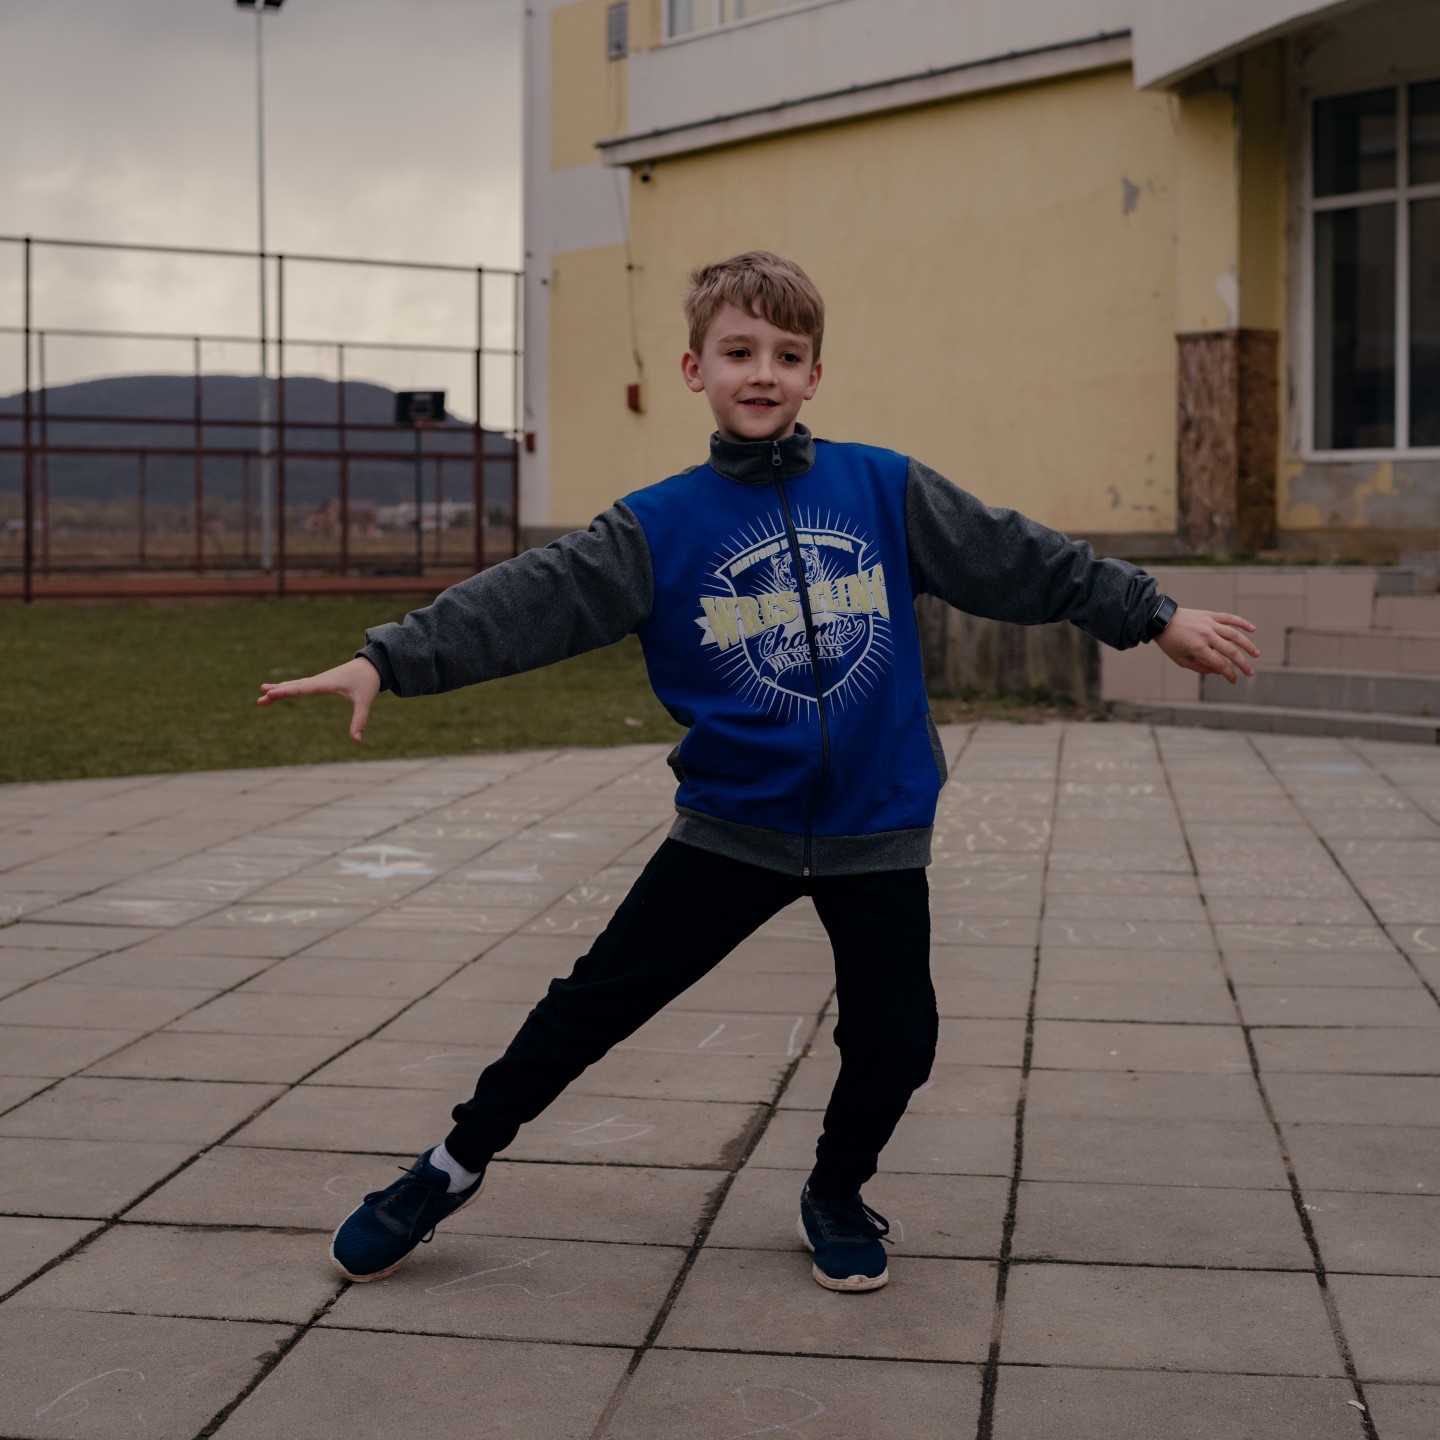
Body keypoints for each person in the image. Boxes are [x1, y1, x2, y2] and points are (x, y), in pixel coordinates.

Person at [257, 251, 1259, 1292]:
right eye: (740, 352)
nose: (764, 373)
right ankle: (450, 1166)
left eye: (788, 355)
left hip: (874, 826)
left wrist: (1155, 615)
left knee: (898, 1039)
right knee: (589, 1006)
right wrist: (389, 657)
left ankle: (835, 1190)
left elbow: (1024, 557)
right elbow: (528, 598)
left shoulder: (882, 488)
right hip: (735, 827)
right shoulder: (659, 526)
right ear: (696, 369)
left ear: (814, 375)